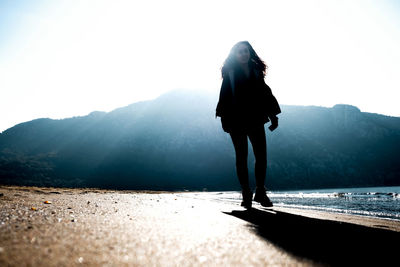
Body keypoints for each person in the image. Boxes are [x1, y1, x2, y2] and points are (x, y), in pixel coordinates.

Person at [215, 41, 281, 209]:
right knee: (241, 157)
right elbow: (225, 96)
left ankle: (260, 191)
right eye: (240, 52)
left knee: (261, 156)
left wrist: (273, 116)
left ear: (250, 53)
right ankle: (246, 194)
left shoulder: (256, 71)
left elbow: (266, 94)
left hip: (256, 119)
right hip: (235, 120)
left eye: (246, 51)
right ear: (235, 55)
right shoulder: (230, 72)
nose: (243, 54)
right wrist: (224, 119)